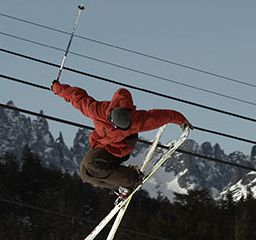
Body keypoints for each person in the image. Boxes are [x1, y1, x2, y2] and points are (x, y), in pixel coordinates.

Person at [51, 80, 193, 195]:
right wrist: (57, 87)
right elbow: (76, 96)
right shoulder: (97, 110)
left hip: (122, 147)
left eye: (126, 127)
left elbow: (158, 117)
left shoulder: (136, 119)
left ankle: (131, 178)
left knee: (92, 164)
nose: (124, 129)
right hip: (103, 144)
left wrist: (180, 119)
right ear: (111, 119)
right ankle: (120, 185)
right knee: (85, 172)